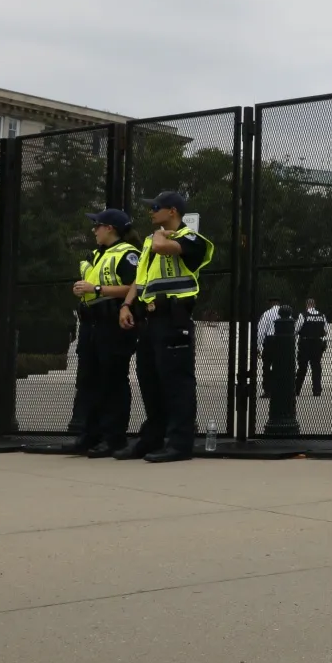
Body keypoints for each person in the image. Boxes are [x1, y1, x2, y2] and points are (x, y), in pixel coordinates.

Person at [116, 191, 214, 463]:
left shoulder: (190, 239)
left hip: (174, 319)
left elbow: (162, 247)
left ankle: (180, 443)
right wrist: (126, 305)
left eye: (156, 208)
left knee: (176, 383)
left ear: (173, 211)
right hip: (149, 321)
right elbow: (140, 279)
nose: (151, 212)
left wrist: (161, 235)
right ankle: (152, 438)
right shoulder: (150, 242)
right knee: (150, 381)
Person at [68, 209, 141, 457]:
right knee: (89, 380)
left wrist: (96, 288)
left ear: (110, 227)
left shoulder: (128, 254)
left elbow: (135, 286)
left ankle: (113, 438)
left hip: (112, 322)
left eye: (97, 225)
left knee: (112, 380)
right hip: (91, 324)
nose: (93, 230)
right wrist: (83, 289)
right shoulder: (98, 254)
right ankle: (89, 435)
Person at [296, 298, 328, 397]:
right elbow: (326, 331)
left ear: (307, 305)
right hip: (317, 343)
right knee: (316, 367)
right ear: (314, 305)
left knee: (302, 367)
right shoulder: (322, 316)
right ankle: (317, 390)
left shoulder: (303, 315)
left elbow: (297, 329)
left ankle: (296, 389)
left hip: (305, 343)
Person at [256, 298, 283, 397]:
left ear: (271, 303)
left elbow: (261, 331)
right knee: (281, 366)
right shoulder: (285, 313)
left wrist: (258, 347)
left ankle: (268, 390)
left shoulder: (267, 314)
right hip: (282, 341)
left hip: (270, 341)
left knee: (267, 366)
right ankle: (280, 389)